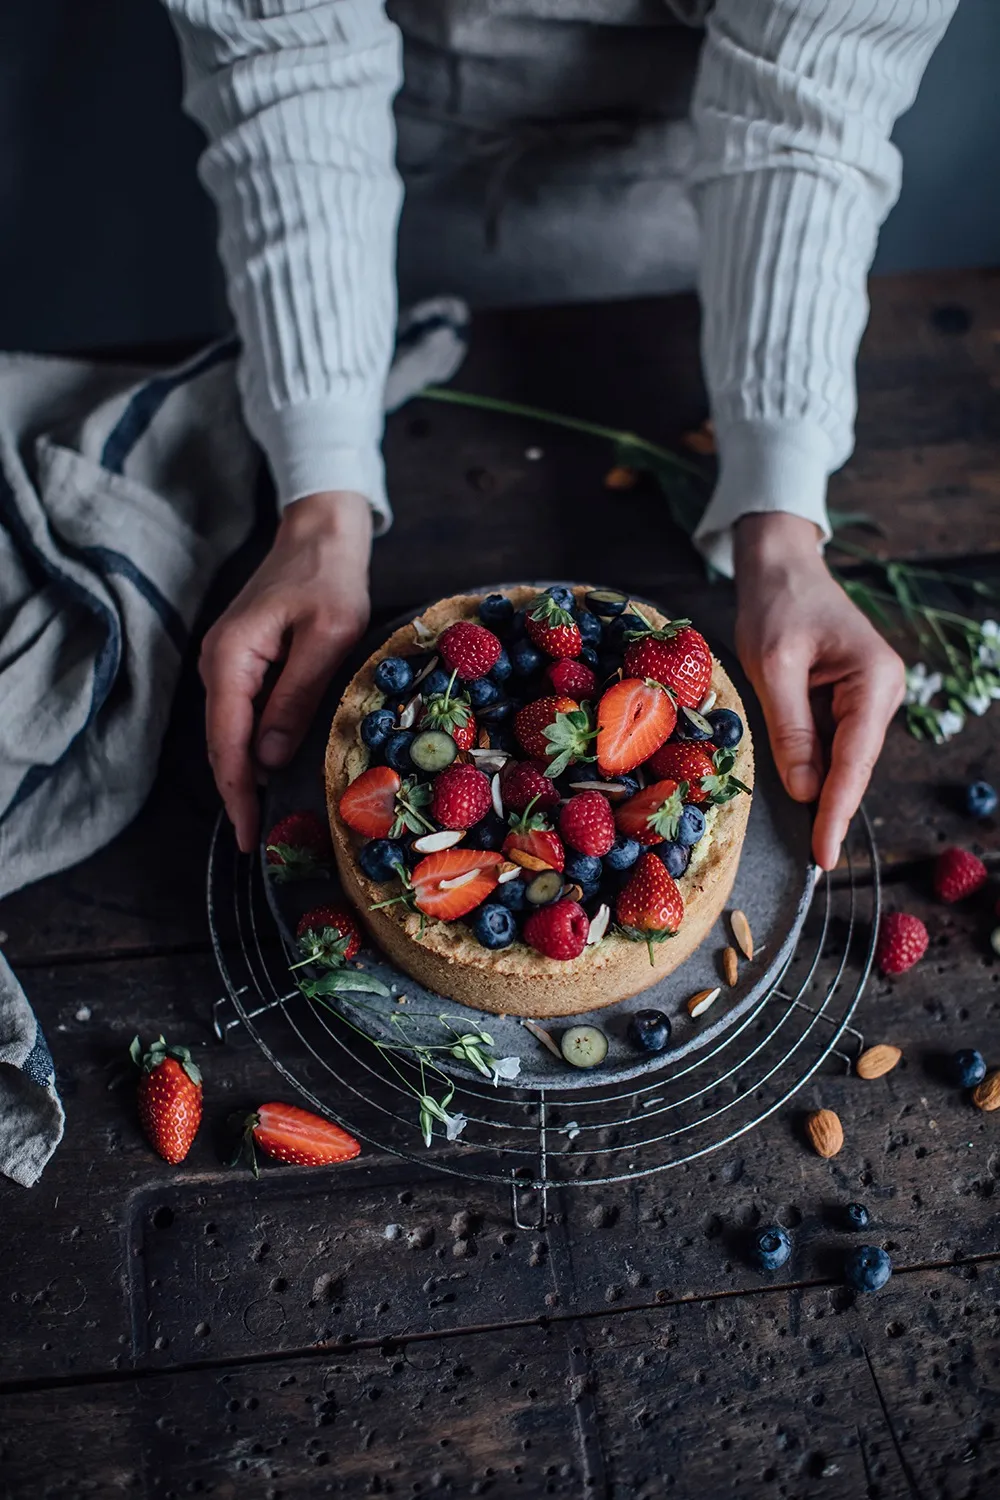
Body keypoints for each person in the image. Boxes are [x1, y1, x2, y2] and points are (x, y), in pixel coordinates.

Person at [161, 0, 959, 870]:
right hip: (375, 175)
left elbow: (813, 102)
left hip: (696, 190)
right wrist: (319, 511)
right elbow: (283, 53)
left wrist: (782, 529)